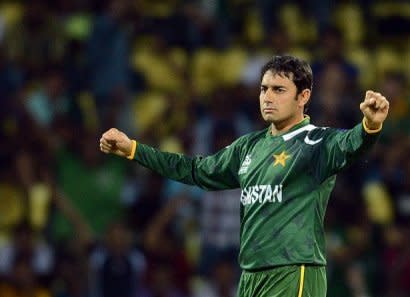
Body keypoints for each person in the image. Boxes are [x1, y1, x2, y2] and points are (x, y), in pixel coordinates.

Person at [99, 55, 389, 297]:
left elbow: (351, 145)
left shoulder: (317, 142)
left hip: (294, 271)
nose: (267, 97)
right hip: (250, 275)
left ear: (304, 96)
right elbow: (195, 170)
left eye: (278, 90)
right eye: (264, 89)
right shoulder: (248, 146)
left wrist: (369, 126)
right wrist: (134, 149)